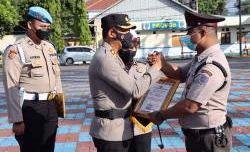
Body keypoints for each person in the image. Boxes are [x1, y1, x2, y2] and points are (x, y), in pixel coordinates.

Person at [148, 10, 232, 152]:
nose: (186, 37)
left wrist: (161, 115)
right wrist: (162, 64)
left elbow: (190, 106)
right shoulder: (201, 59)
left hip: (209, 139)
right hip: (199, 137)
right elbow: (180, 74)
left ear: (203, 33)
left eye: (190, 33)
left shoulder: (211, 66)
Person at [88, 13, 163, 152]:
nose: (129, 35)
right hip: (111, 134)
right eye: (125, 31)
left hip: (121, 129)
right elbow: (135, 89)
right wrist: (157, 67)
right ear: (111, 33)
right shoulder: (105, 59)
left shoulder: (113, 57)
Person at [3, 6, 63, 152]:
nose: (46, 30)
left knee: (48, 148)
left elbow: (57, 79)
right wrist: (17, 120)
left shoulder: (50, 48)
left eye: (48, 27)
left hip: (50, 107)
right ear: (30, 25)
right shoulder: (16, 50)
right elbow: (11, 86)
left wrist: (59, 108)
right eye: (42, 26)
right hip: (30, 108)